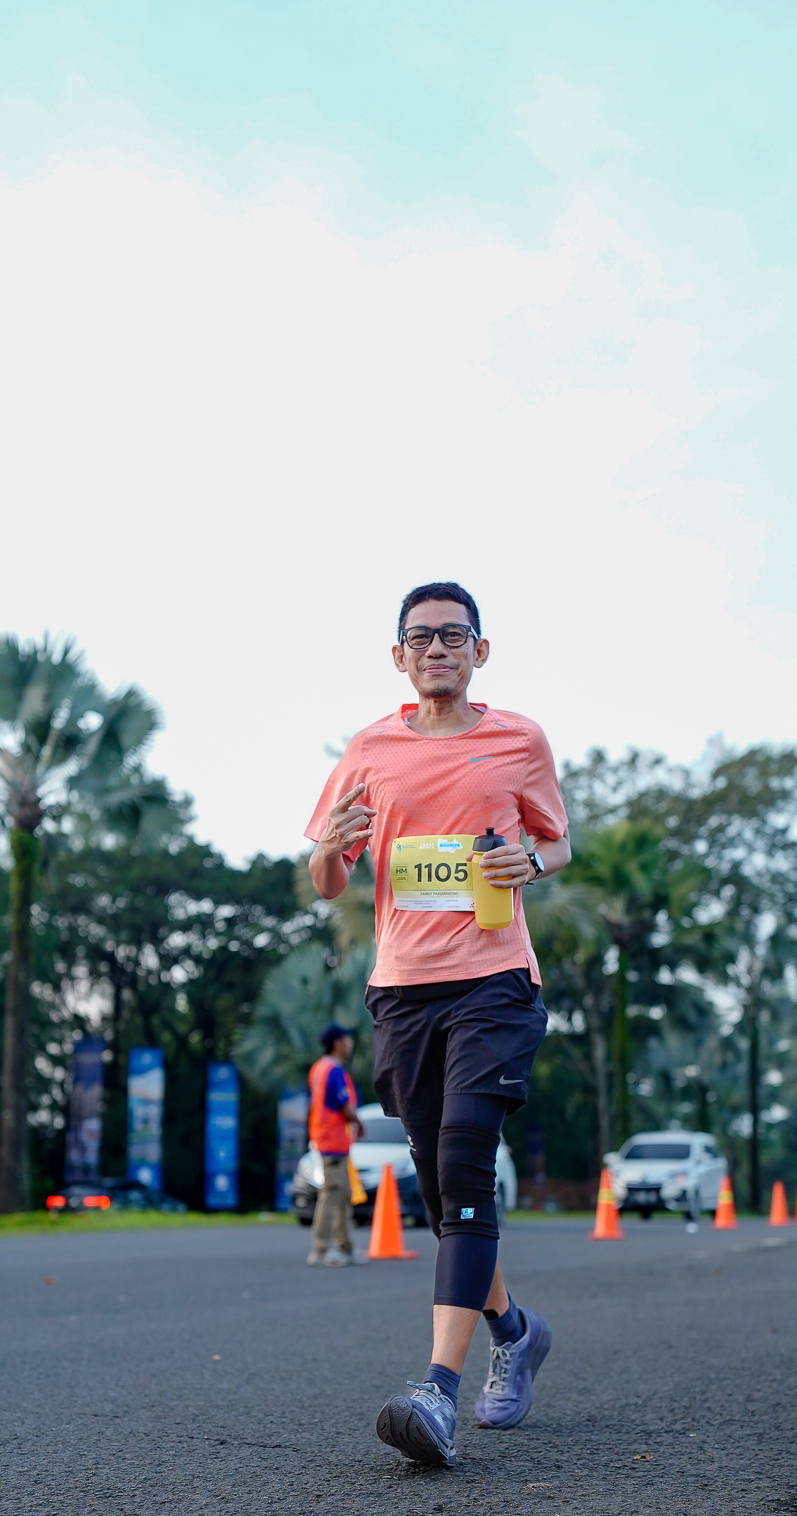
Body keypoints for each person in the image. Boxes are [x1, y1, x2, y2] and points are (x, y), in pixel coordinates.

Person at [305, 580, 571, 1467]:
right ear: (398, 656)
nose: (437, 650)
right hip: (403, 990)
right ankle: (516, 1331)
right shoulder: (370, 750)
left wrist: (530, 860)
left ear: (479, 651)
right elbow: (330, 881)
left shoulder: (518, 740)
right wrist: (330, 847)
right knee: (441, 1192)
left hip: (494, 980)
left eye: (454, 636)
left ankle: (437, 1391)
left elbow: (557, 840)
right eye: (420, 638)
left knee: (464, 1163)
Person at [307, 1024, 363, 1268]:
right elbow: (344, 1105)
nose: (350, 1044)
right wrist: (359, 1123)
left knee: (343, 1193)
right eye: (347, 1040)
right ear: (337, 1044)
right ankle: (321, 1249)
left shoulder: (319, 1068)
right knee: (331, 1193)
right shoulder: (334, 1070)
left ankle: (345, 1245)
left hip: (329, 1139)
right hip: (332, 1140)